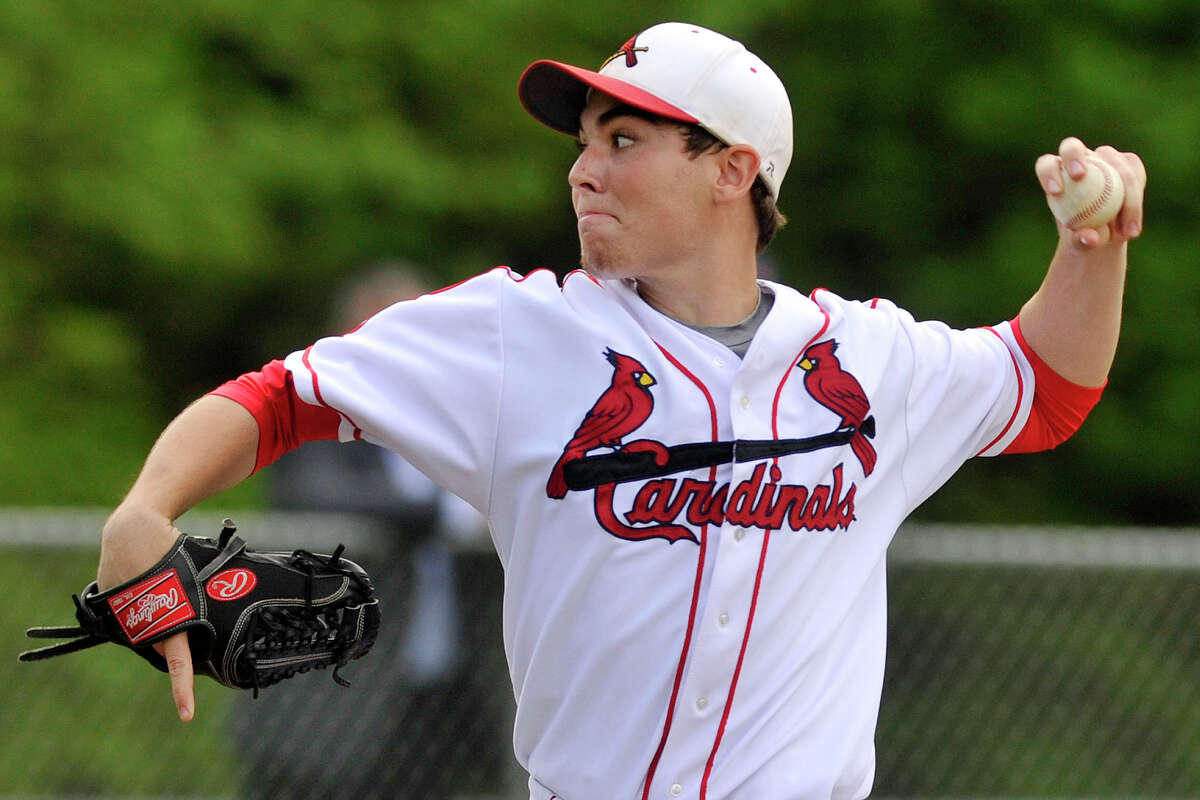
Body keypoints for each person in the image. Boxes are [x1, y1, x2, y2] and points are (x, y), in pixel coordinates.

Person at [95, 21, 1144, 800]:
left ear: (734, 171)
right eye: (585, 139)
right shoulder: (517, 334)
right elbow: (283, 395)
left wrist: (1091, 253)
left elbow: (1044, 388)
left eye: (624, 139)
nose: (582, 168)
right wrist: (146, 506)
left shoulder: (866, 357)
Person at [229, 265, 504, 799]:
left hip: (444, 702)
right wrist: (441, 516)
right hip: (327, 714)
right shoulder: (310, 412)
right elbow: (313, 493)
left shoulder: (467, 424)